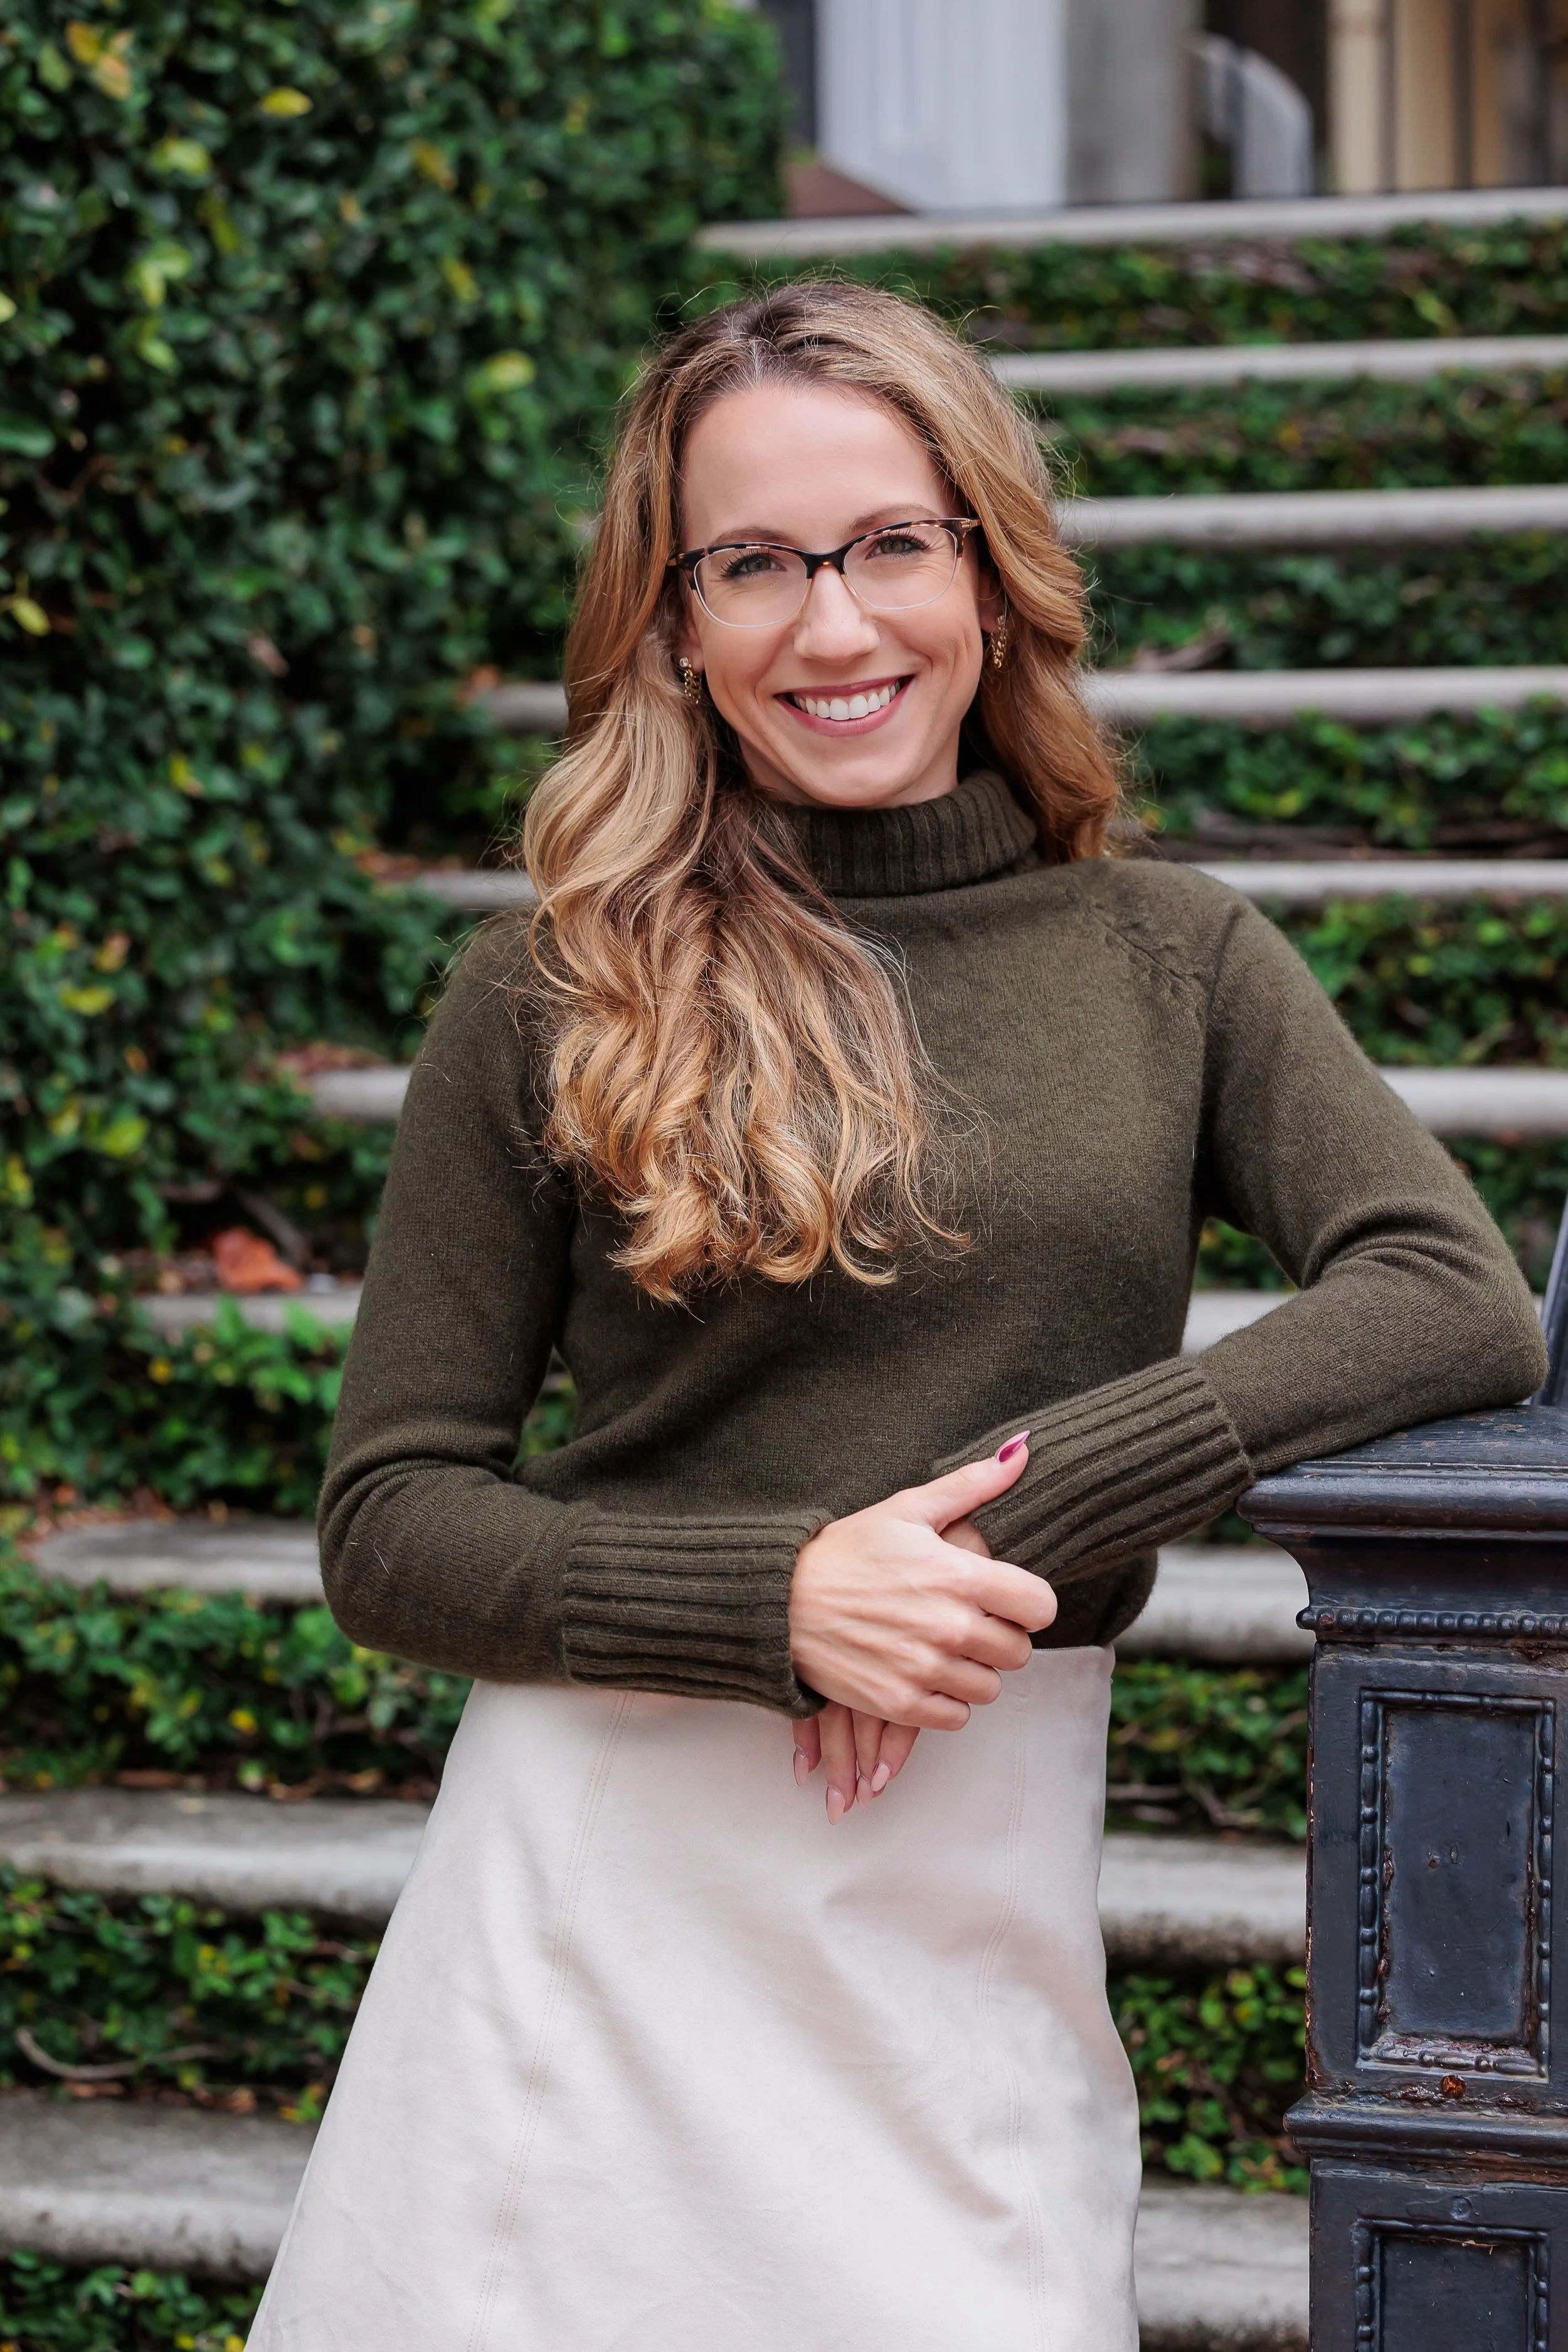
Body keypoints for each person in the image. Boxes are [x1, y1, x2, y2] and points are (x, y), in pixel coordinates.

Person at [246, 281, 1545, 2352]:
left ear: (986, 565)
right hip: (609, 1885)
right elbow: (390, 1518)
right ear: (672, 621)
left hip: (969, 1870)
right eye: (750, 563)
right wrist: (776, 1598)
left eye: (885, 544)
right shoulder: (551, 987)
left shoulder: (1169, 955)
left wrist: (992, 1526)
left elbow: (1446, 1291)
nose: (830, 626)